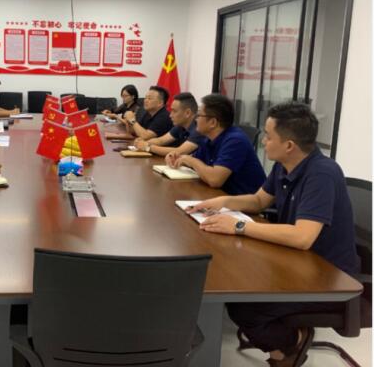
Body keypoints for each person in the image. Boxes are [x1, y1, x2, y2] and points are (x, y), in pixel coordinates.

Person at [187, 102, 359, 367]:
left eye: (268, 136)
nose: (263, 141)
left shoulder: (322, 173)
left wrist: (238, 226)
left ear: (289, 145)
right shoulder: (284, 165)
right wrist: (222, 202)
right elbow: (259, 201)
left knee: (245, 308)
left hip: (326, 274)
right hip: (296, 260)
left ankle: (290, 344)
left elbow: (302, 237)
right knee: (238, 288)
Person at [169, 94, 265, 195]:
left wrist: (190, 160)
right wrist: (177, 158)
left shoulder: (235, 140)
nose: (195, 119)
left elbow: (215, 179)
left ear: (213, 122)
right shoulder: (208, 139)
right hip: (221, 196)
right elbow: (195, 161)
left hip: (243, 201)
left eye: (199, 115)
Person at [133, 92, 204, 156]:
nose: (170, 115)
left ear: (187, 113)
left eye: (174, 111)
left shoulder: (199, 128)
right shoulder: (180, 126)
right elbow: (161, 140)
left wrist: (148, 147)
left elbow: (179, 151)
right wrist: (143, 142)